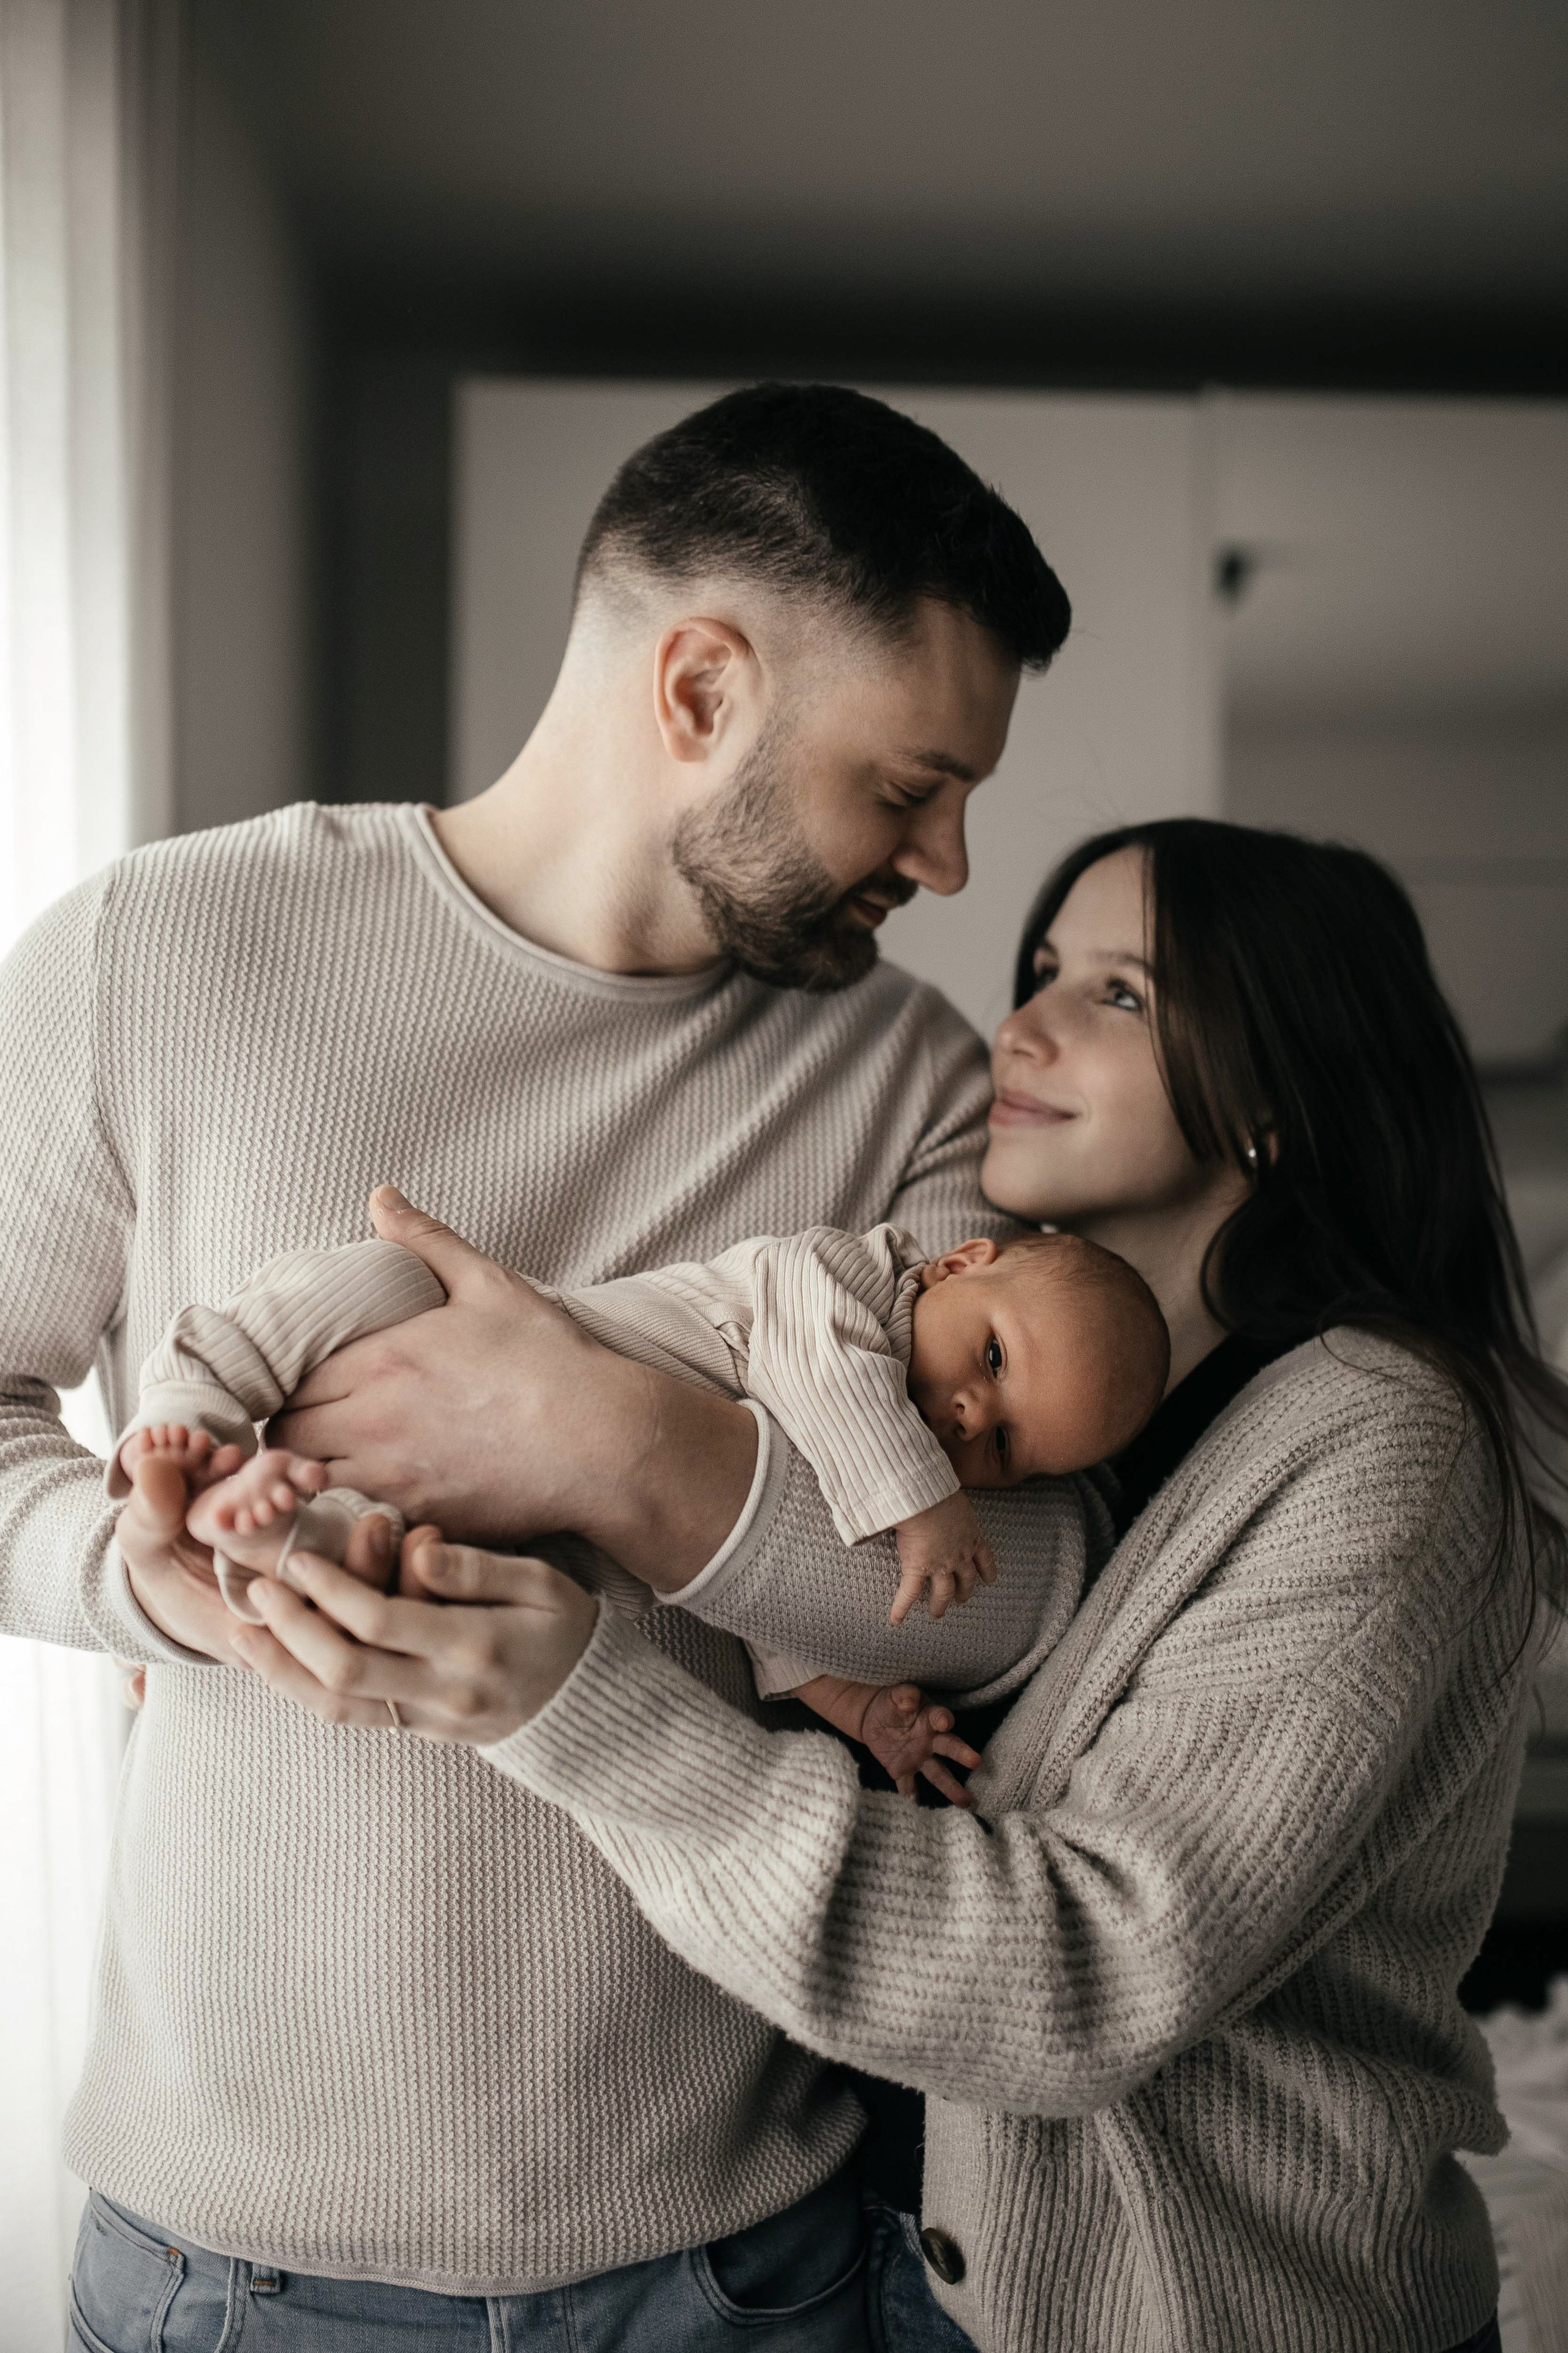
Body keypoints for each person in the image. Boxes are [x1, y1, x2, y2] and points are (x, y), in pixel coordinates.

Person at [0, 383, 1081, 2347]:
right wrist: (131, 1574)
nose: (945, 864)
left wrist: (610, 1442)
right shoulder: (162, 952)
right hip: (232, 2271)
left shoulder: (915, 1087)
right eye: (910, 785)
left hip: (744, 2257)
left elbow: (1014, 1600)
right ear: (698, 692)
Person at [240, 820, 1567, 2353]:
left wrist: (572, 1699)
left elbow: (1087, 1973)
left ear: (1273, 1095)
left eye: (1121, 995)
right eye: (1045, 970)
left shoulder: (1377, 1444)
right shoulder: (1018, 1425)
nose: (1022, 1022)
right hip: (879, 2272)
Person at [111, 1218, 1166, 1796]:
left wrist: (855, 1704)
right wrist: (928, 1502)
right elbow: (828, 1378)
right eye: (992, 1357)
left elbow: (774, 1604)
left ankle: (271, 1528)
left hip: (528, 1522)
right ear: (955, 1262)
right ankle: (193, 1414)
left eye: (1007, 1448)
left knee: (420, 1571)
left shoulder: (927, 1104)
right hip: (426, 1323)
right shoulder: (840, 1284)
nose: (971, 1413)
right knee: (380, 1271)